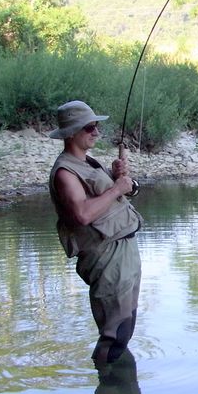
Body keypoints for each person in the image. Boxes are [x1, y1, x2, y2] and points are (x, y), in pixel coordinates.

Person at [48, 100, 142, 367]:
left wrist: (120, 180)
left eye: (97, 126)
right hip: (106, 257)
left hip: (124, 251)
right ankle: (107, 385)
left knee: (125, 325)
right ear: (71, 132)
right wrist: (116, 189)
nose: (96, 133)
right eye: (90, 127)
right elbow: (83, 214)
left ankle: (119, 391)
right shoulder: (65, 172)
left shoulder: (89, 163)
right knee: (116, 333)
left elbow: (117, 196)